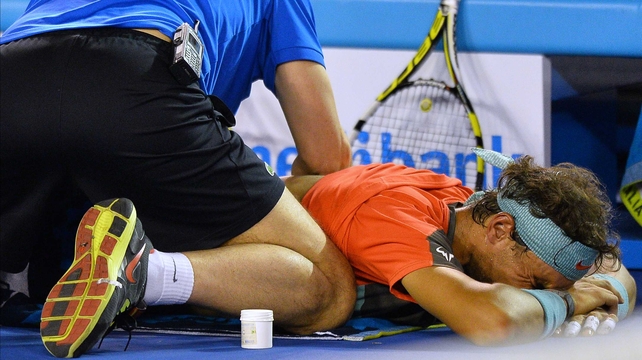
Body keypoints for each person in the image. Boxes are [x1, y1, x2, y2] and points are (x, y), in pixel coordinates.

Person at [0, 0, 355, 358]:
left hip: (13, 71)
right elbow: (326, 157)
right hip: (132, 77)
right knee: (328, 289)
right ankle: (145, 271)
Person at [285, 148, 637, 345]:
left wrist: (603, 305)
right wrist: (570, 301)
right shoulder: (397, 219)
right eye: (534, 284)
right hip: (240, 238)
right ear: (499, 229)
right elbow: (491, 322)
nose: (532, 296)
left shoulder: (477, 211)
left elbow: (616, 277)